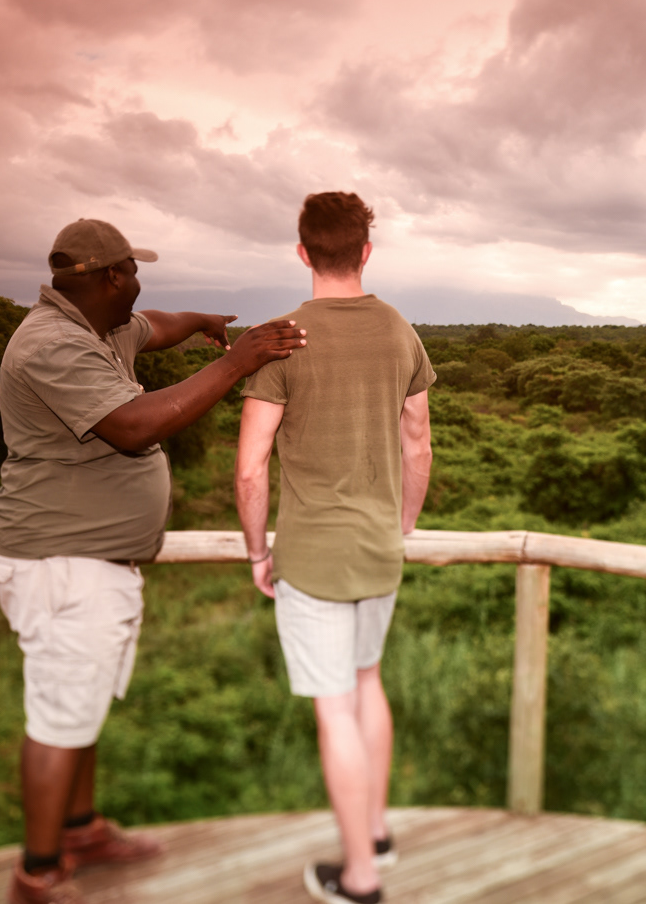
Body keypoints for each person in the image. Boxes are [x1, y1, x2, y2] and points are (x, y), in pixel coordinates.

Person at [0, 218, 307, 904]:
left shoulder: (102, 327)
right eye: (133, 270)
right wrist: (235, 361)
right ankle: (38, 875)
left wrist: (203, 322)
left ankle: (81, 830)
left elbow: (155, 323)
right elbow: (134, 428)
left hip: (89, 558)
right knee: (59, 715)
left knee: (82, 704)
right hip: (62, 561)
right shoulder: (53, 344)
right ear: (109, 278)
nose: (140, 281)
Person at [235, 193, 434, 904]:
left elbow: (251, 466)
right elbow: (418, 442)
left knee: (334, 706)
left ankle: (360, 876)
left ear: (302, 252)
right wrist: (401, 524)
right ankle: (375, 832)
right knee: (368, 681)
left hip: (313, 556)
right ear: (366, 252)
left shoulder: (283, 338)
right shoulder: (400, 330)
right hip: (380, 547)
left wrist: (259, 552)